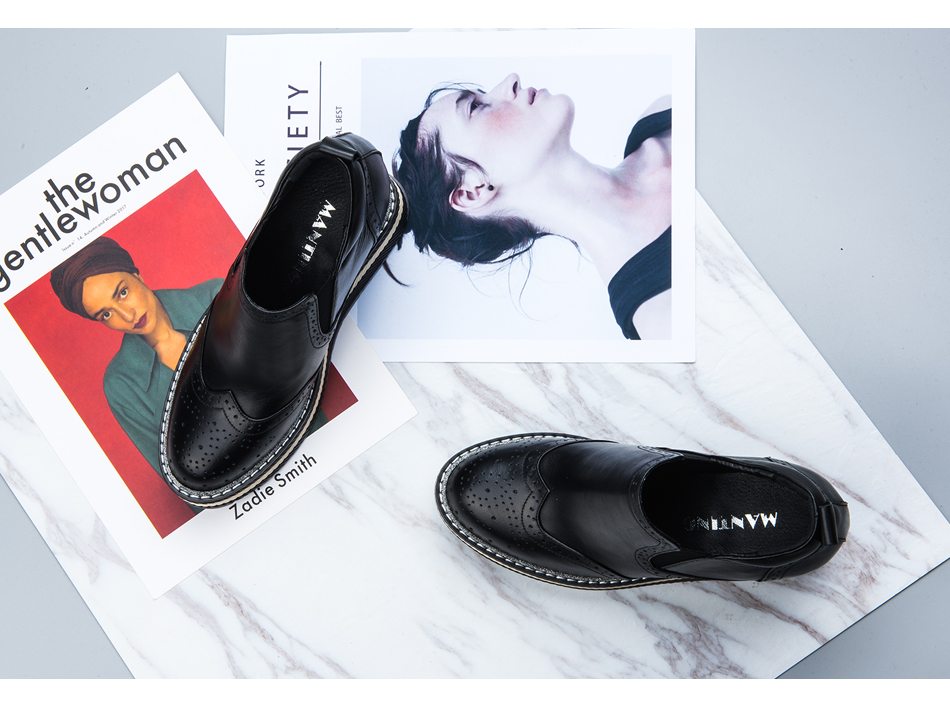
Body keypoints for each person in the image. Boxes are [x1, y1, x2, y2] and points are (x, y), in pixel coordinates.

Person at [393, 73, 672, 340]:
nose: (511, 79)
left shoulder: (661, 116)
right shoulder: (661, 317)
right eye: (474, 107)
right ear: (472, 191)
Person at [50, 236, 221, 477]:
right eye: (106, 314)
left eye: (122, 292)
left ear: (137, 276)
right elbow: (178, 476)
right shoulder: (120, 384)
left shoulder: (215, 296)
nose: (127, 316)